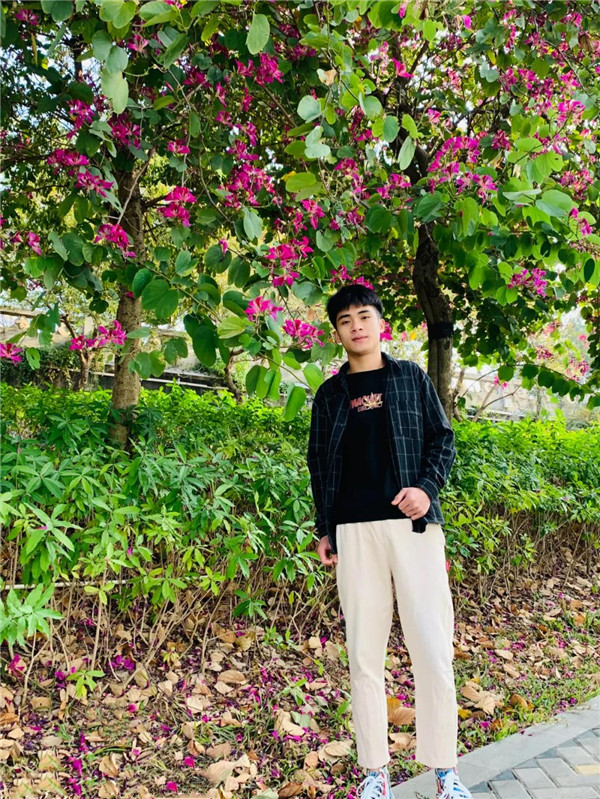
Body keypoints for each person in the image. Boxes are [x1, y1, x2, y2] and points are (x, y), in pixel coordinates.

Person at [307, 285, 472, 799]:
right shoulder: (330, 395)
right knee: (364, 656)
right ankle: (375, 773)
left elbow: (442, 440)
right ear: (337, 333)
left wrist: (426, 489)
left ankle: (445, 771)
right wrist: (325, 528)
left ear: (381, 324)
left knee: (432, 648)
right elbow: (319, 464)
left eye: (364, 316)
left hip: (414, 528)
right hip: (354, 534)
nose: (356, 326)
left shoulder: (410, 378)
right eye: (345, 320)